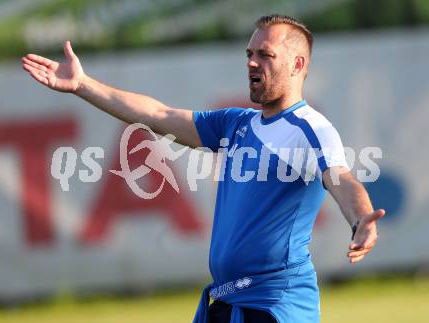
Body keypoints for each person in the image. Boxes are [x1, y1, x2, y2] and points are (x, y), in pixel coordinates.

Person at [22, 14, 385, 323]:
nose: (252, 62)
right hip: (229, 301)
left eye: (265, 54)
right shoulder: (235, 123)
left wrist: (361, 219)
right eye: (249, 53)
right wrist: (83, 85)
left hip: (276, 305)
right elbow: (158, 115)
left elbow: (341, 179)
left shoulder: (310, 128)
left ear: (297, 64)